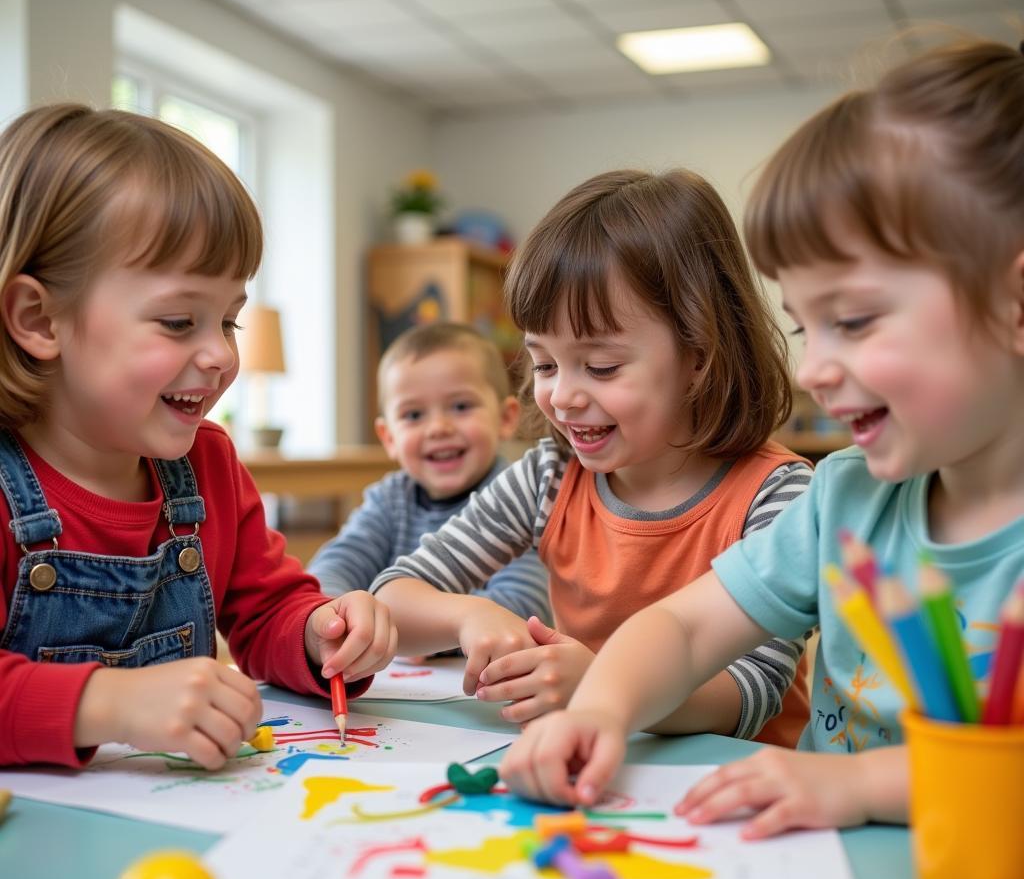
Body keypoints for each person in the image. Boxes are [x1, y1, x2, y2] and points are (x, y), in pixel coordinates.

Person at [500, 38, 1024, 837]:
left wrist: (858, 786)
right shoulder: (847, 498)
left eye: (851, 321)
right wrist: (602, 708)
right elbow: (681, 626)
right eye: (804, 328)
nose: (814, 369)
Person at [0, 104, 396, 770]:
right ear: (40, 319)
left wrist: (318, 633)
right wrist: (111, 703)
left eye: (230, 321)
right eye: (181, 321)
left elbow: (267, 607)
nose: (219, 355)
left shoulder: (207, 463)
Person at [373, 168, 813, 740]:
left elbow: (754, 689)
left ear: (699, 356)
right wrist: (468, 615)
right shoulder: (549, 476)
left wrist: (604, 688)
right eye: (544, 364)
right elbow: (396, 591)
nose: (562, 395)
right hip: (591, 766)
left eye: (601, 367)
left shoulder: (777, 494)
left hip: (735, 788)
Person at [307, 323, 550, 625]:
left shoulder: (520, 497)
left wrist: (420, 630)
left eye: (461, 406)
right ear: (389, 438)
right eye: (413, 415)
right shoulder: (388, 501)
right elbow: (333, 569)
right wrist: (334, 617)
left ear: (505, 418)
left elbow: (524, 605)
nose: (438, 428)